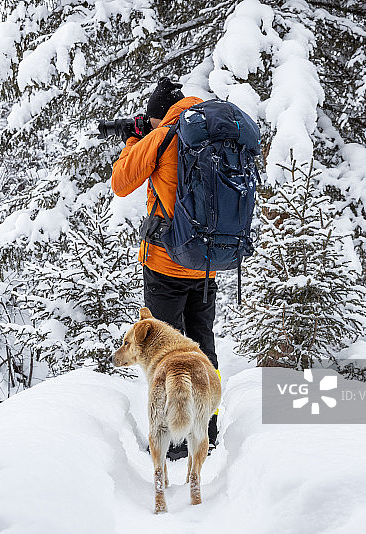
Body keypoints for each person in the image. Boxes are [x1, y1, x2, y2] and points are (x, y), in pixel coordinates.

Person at [110, 77, 220, 459]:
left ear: (158, 117)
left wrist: (132, 140)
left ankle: (170, 442)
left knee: (164, 356)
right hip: (206, 264)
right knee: (201, 347)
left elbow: (121, 182)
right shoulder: (211, 131)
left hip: (166, 264)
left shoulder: (163, 136)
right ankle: (208, 429)